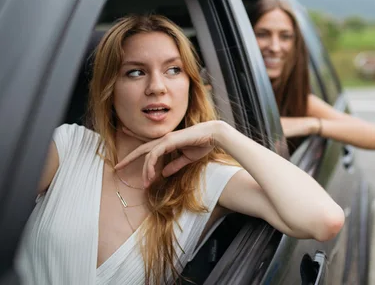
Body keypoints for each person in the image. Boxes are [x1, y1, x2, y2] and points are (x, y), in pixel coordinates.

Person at [16, 14, 345, 285]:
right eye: (135, 72)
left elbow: (324, 220)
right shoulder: (67, 147)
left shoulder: (207, 179)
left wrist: (221, 132)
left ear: (190, 84)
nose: (157, 87)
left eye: (173, 70)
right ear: (109, 88)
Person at [249, 0, 375, 151]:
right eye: (262, 34)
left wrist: (311, 124)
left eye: (285, 36)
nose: (275, 47)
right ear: (244, 36)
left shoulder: (297, 101)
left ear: (296, 44)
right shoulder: (225, 91)